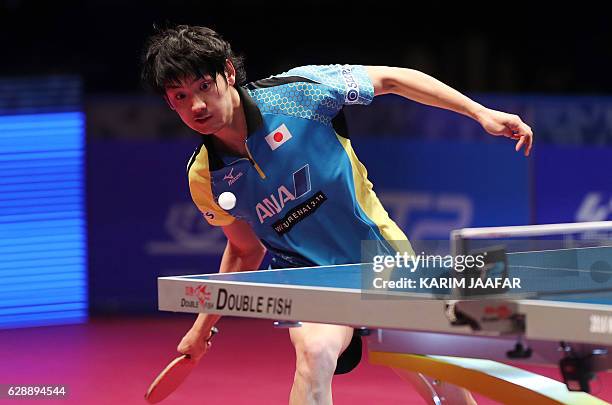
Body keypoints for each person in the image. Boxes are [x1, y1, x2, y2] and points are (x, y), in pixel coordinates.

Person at [141, 24, 533, 405]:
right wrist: (201, 329)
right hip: (310, 280)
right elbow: (244, 251)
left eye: (203, 87)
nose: (195, 106)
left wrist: (480, 112)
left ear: (228, 72)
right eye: (179, 97)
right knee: (314, 355)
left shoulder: (298, 93)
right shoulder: (206, 177)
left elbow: (393, 80)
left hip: (380, 260)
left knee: (443, 384)